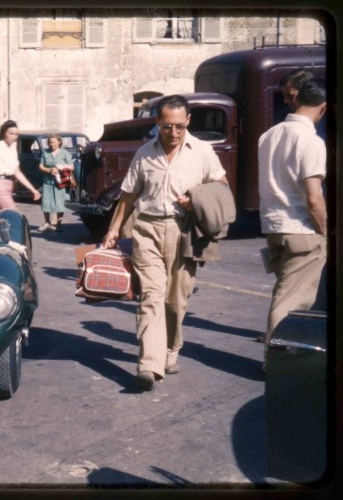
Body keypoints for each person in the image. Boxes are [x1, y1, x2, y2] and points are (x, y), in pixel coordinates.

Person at [100, 95, 228, 391]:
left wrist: (196, 198)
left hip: (185, 232)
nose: (173, 133)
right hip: (147, 230)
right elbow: (129, 195)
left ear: (188, 122)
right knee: (151, 297)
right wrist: (114, 230)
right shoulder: (145, 152)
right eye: (167, 126)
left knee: (176, 300)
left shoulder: (203, 152)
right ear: (157, 122)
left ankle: (171, 350)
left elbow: (221, 187)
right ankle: (148, 365)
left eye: (179, 127)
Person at [257, 78, 327, 363]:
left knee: (284, 290)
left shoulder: (269, 135)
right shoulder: (310, 140)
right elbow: (313, 198)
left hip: (273, 225)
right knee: (291, 301)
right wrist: (324, 231)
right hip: (301, 228)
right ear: (322, 108)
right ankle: (275, 362)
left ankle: (280, 357)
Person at [0, 120, 41, 213]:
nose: (14, 137)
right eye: (11, 133)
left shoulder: (12, 149)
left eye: (16, 134)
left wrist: (32, 189)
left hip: (10, 186)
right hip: (0, 187)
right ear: (4, 133)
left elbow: (17, 172)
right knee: (14, 216)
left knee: (4, 221)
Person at [37, 133, 73, 232]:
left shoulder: (64, 153)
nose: (52, 144)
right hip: (47, 181)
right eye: (50, 142)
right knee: (46, 202)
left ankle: (58, 223)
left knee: (60, 202)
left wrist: (60, 168)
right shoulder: (46, 153)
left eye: (54, 142)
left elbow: (71, 166)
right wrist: (49, 170)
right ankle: (47, 222)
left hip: (60, 182)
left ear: (59, 142)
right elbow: (40, 166)